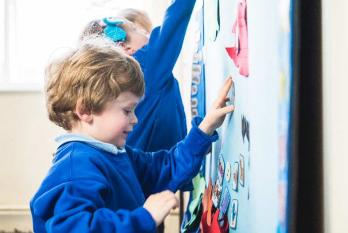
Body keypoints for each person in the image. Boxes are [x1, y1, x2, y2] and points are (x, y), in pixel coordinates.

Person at [30, 39, 234, 232]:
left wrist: (204, 129)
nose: (135, 119)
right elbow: (73, 228)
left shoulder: (116, 153)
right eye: (127, 110)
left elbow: (166, 168)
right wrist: (145, 217)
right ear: (85, 111)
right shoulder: (75, 166)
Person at [81, 0, 197, 154]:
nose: (147, 33)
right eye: (136, 29)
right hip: (166, 167)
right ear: (125, 48)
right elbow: (175, 19)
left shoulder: (112, 85)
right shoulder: (145, 65)